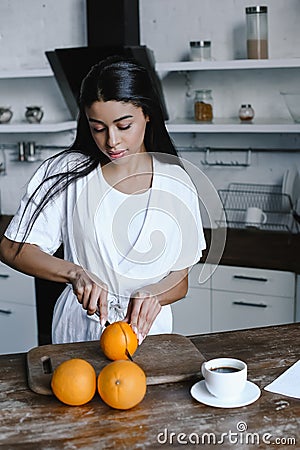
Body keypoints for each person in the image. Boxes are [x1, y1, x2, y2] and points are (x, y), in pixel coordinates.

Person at [0, 56, 206, 345]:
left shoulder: (177, 182)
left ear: (147, 114)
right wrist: (74, 273)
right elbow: (12, 248)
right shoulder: (66, 173)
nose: (112, 141)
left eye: (124, 126)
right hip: (78, 335)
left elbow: (180, 280)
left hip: (151, 338)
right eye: (98, 128)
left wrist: (154, 294)